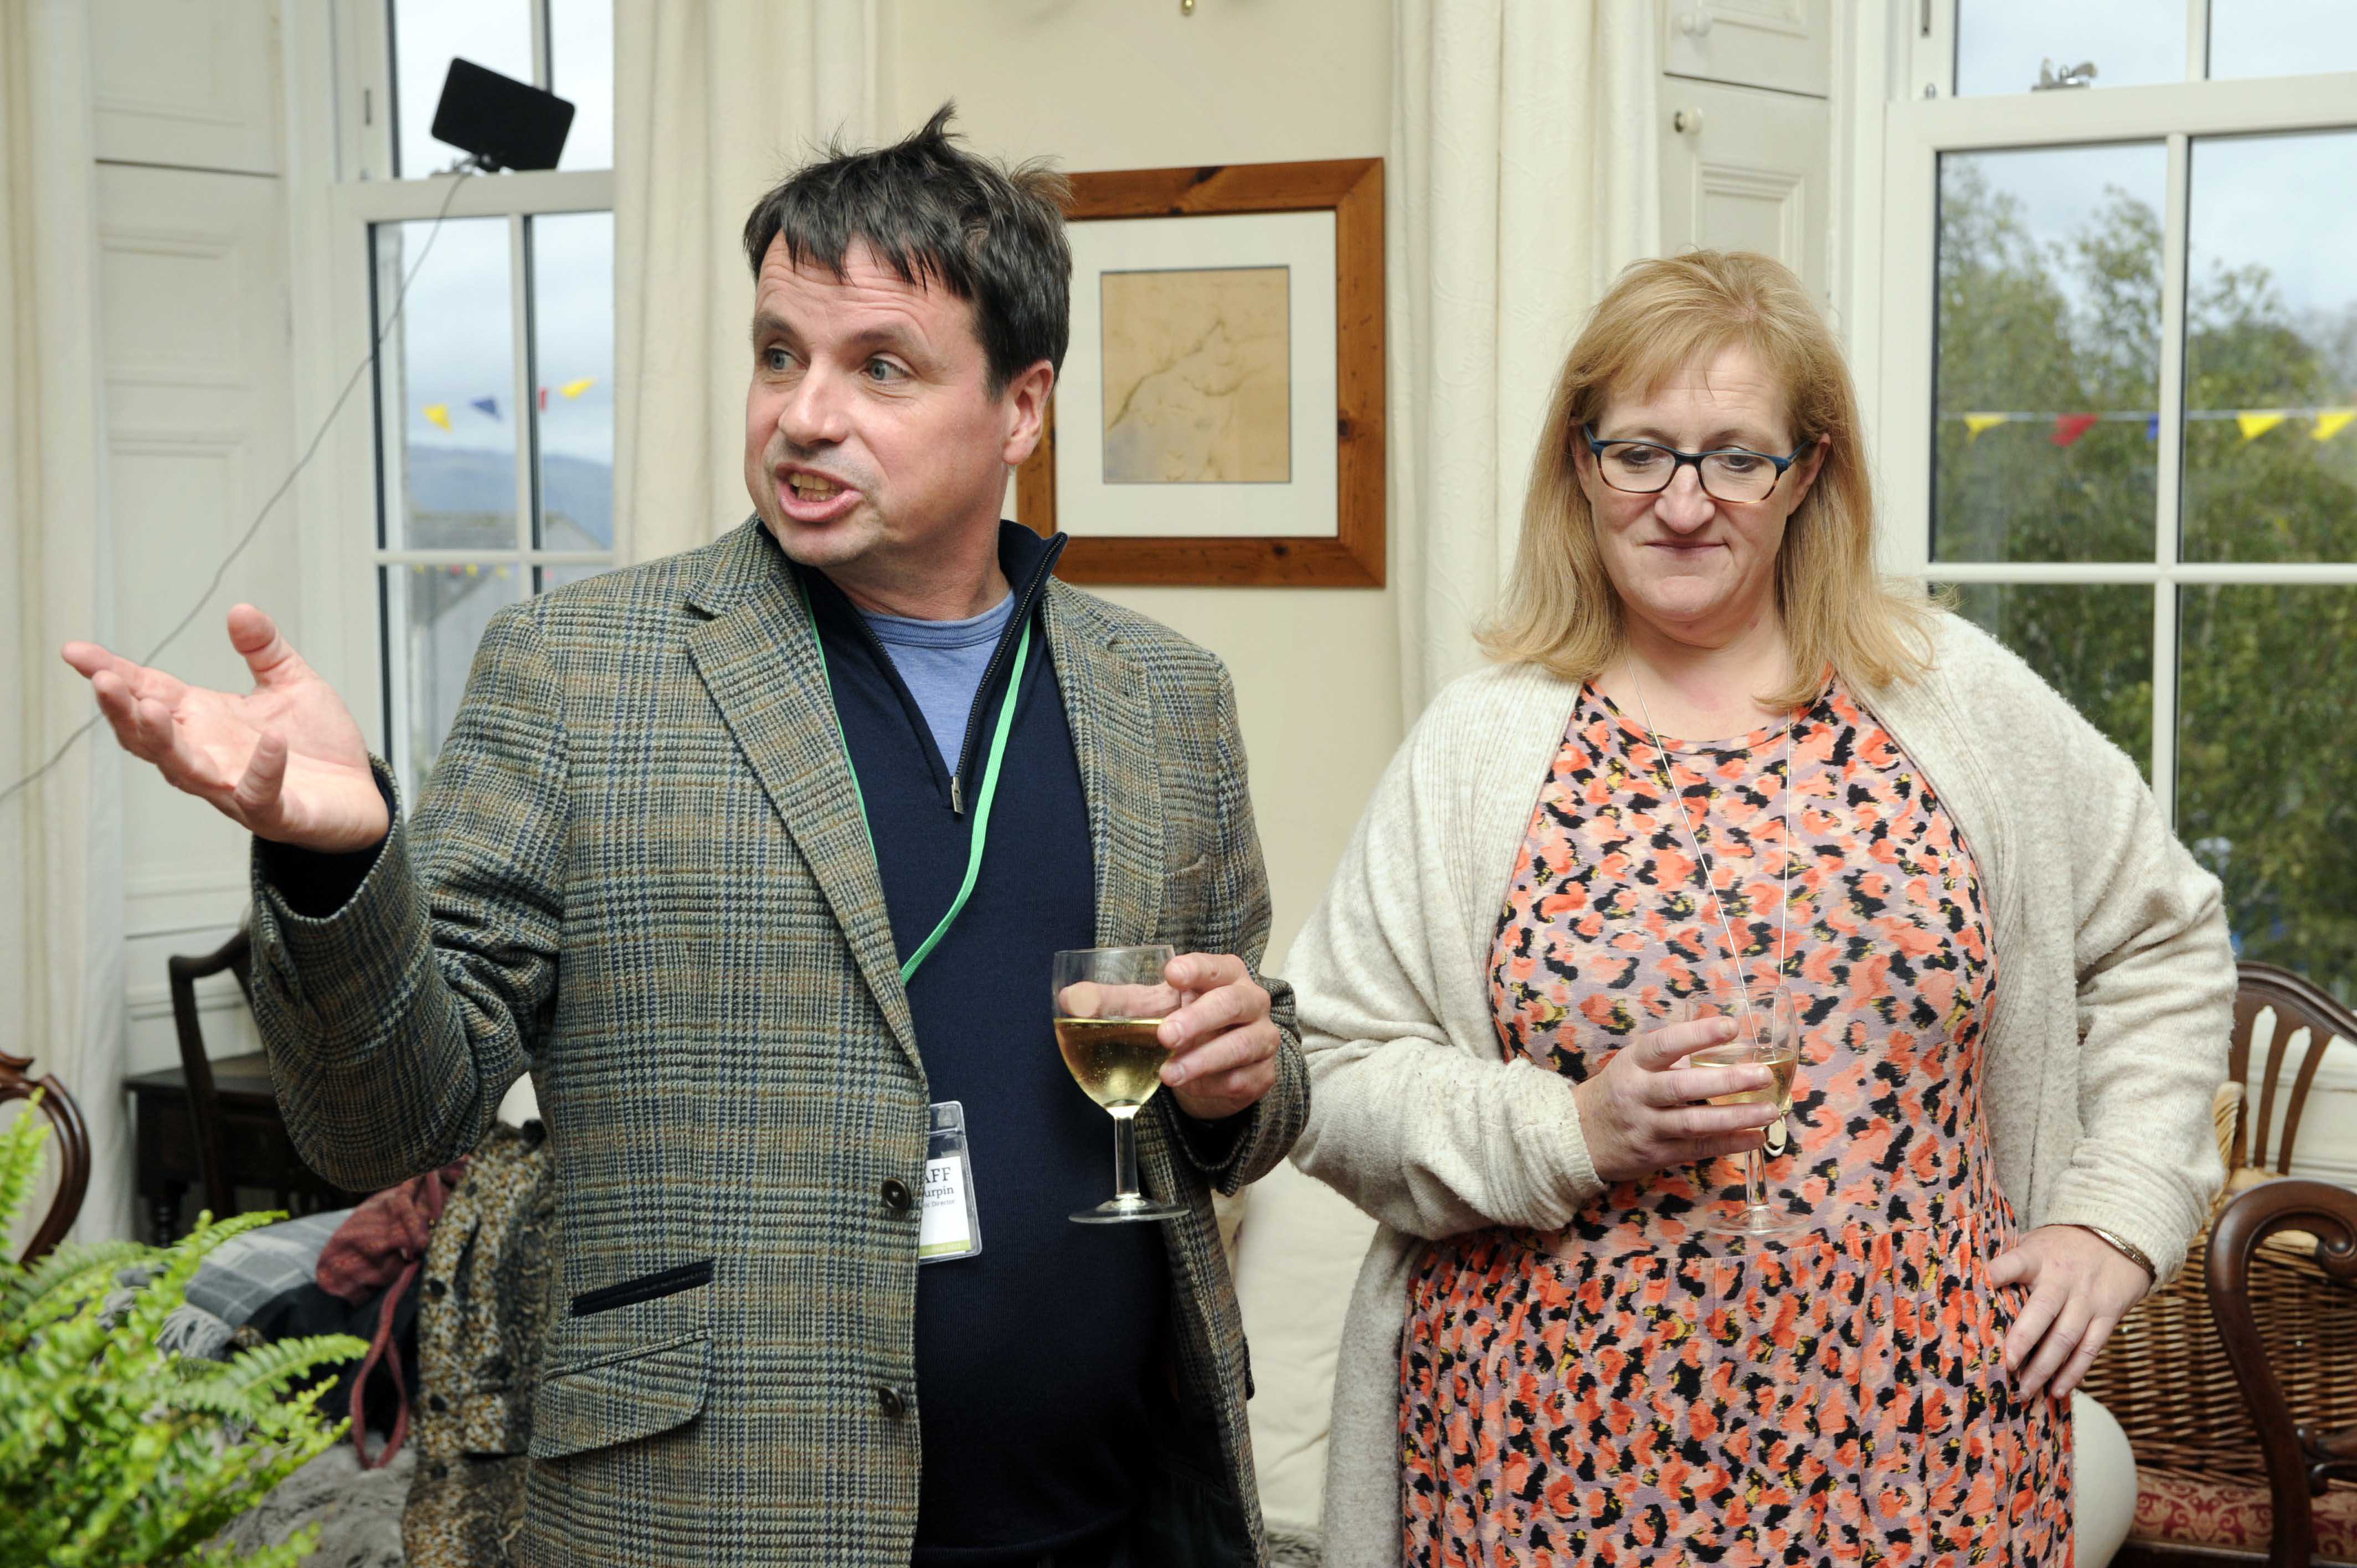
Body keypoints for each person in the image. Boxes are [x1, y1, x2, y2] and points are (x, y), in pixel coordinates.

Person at [61, 107, 1306, 1568]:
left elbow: (1249, 1060)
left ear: (1022, 409)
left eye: (879, 367)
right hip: (711, 1519)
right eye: (779, 352)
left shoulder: (1167, 697)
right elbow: (386, 1120)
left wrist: (1244, 1079)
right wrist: (342, 862)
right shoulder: (582, 671)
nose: (803, 412)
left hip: (1112, 1522)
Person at [1287, 250, 2235, 1566]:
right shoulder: (1477, 748)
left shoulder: (1951, 697)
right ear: (1581, 465)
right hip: (1543, 1468)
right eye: (1641, 453)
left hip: (1926, 1460)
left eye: (1735, 456)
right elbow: (1326, 1076)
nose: (1684, 503)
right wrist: (1569, 1127)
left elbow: (2166, 937)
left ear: (1807, 476)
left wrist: (2111, 1213)